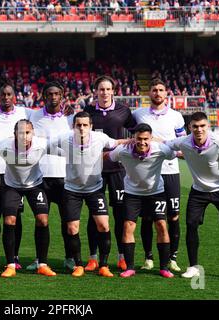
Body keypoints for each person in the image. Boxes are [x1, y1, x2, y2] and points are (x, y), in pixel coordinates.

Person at [0, 119, 57, 278]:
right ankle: (11, 265)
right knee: (9, 220)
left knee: (43, 220)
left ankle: (43, 264)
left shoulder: (42, 144)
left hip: (35, 185)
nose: (24, 136)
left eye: (27, 132)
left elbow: (65, 149)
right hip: (12, 186)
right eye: (20, 133)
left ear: (33, 133)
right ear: (14, 134)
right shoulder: (4, 146)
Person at [165, 112, 219, 280]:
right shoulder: (183, 142)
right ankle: (193, 267)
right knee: (191, 225)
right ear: (189, 127)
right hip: (198, 191)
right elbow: (165, 145)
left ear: (208, 126)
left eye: (202, 126)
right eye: (195, 126)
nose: (199, 130)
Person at [51, 111, 127, 277]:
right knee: (72, 228)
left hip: (95, 189)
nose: (82, 128)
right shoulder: (64, 139)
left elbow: (116, 143)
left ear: (91, 126)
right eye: (78, 125)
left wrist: (134, 140)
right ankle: (78, 265)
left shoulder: (100, 138)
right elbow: (43, 145)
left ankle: (104, 265)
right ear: (73, 127)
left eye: (85, 125)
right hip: (72, 190)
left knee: (103, 225)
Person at [105, 123, 178, 279]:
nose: (142, 142)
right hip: (132, 194)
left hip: (156, 193)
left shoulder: (161, 149)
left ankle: (164, 267)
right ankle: (130, 267)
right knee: (128, 226)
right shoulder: (123, 150)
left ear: (151, 138)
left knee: (161, 225)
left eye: (146, 139)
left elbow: (175, 153)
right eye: (139, 138)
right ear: (134, 138)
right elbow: (107, 157)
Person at [132, 78, 186, 272]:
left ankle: (172, 258)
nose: (157, 93)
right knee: (147, 218)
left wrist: (162, 143)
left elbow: (183, 146)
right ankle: (148, 258)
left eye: (161, 90)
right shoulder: (138, 114)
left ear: (166, 93)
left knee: (173, 216)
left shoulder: (176, 117)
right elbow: (131, 137)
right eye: (154, 89)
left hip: (170, 171)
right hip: (147, 173)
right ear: (149, 93)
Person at [83, 75, 137, 272]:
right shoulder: (87, 112)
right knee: (94, 214)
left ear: (113, 91)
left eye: (108, 89)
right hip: (94, 169)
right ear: (95, 91)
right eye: (101, 89)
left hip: (118, 170)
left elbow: (135, 131)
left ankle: (122, 256)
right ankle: (93, 257)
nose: (104, 93)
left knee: (120, 213)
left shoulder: (124, 111)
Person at [0, 84, 33, 271]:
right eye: (3, 94)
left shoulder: (26, 112)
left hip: (17, 173)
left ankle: (14, 256)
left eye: (9, 94)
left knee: (14, 216)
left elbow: (44, 119)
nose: (6, 97)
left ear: (15, 96)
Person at [26, 81, 75, 271]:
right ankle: (40, 260)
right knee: (41, 220)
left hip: (64, 176)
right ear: (43, 96)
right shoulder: (33, 115)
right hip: (40, 176)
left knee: (67, 220)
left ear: (62, 95)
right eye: (49, 94)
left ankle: (70, 257)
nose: (53, 97)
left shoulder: (70, 117)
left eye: (56, 94)